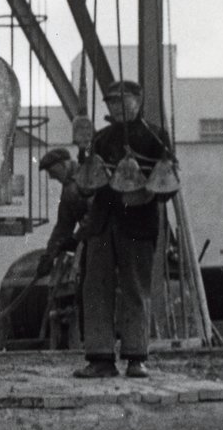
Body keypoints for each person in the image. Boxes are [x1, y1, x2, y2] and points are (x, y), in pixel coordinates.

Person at [75, 79, 177, 381]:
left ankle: (136, 358)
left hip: (137, 223)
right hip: (103, 223)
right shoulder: (102, 138)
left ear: (138, 100)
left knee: (135, 288)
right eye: (111, 102)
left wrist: (147, 189)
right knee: (95, 288)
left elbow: (168, 183)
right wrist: (84, 154)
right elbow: (86, 183)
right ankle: (100, 358)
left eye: (122, 101)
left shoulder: (155, 137)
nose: (116, 107)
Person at [38, 146, 88, 351]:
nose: (53, 178)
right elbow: (62, 226)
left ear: (62, 164)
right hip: (90, 240)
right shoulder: (69, 190)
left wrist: (76, 239)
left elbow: (96, 216)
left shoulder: (87, 177)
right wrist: (48, 256)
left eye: (53, 173)